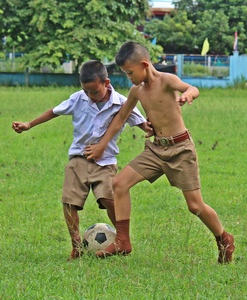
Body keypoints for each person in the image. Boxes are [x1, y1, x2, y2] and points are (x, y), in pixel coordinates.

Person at [84, 41, 235, 263]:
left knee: (195, 206)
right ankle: (123, 241)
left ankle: (224, 238)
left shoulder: (167, 81)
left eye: (130, 72)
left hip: (180, 149)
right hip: (156, 149)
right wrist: (101, 145)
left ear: (144, 64)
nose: (129, 78)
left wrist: (189, 95)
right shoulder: (136, 91)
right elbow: (120, 119)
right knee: (119, 184)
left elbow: (191, 88)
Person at [12, 60, 152, 260]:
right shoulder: (78, 98)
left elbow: (140, 122)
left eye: (94, 92)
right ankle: (76, 245)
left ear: (106, 83)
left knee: (109, 199)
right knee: (69, 201)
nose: (90, 96)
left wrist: (149, 129)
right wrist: (29, 124)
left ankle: (121, 240)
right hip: (78, 158)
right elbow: (54, 112)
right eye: (86, 91)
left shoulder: (121, 102)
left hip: (105, 162)